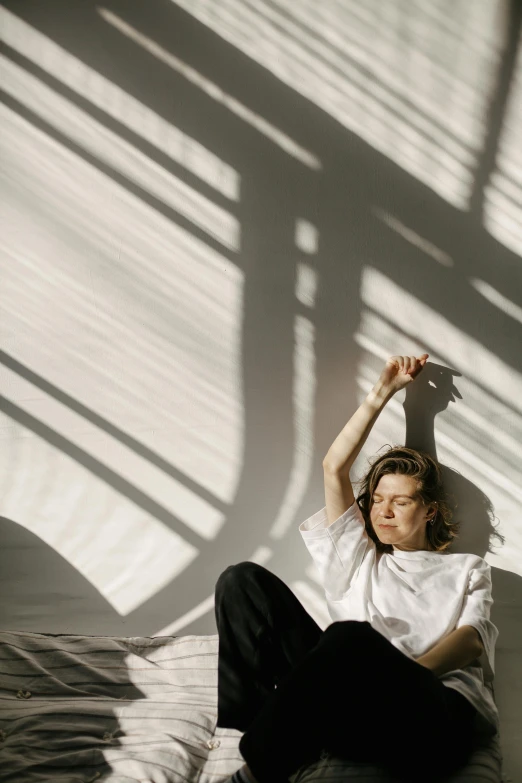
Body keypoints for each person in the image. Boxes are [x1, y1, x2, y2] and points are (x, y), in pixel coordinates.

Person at [215, 354, 499, 783]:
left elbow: (471, 642)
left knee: (351, 638)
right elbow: (334, 467)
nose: (383, 511)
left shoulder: (467, 569)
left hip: (432, 709)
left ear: (430, 513)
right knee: (241, 580)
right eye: (377, 500)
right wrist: (385, 393)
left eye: (400, 502)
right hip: (352, 707)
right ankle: (260, 731)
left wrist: (398, 678)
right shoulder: (358, 559)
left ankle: (254, 773)